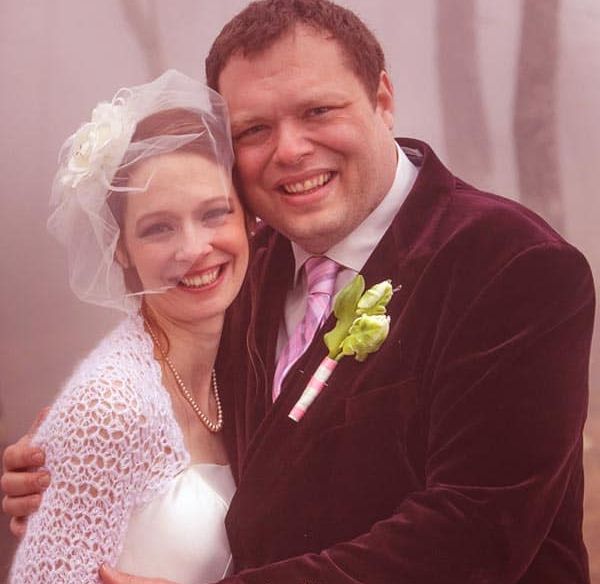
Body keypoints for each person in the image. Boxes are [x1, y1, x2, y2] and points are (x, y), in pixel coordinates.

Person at [3, 1, 595, 582]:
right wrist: (81, 451)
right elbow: (182, 400)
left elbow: (474, 529)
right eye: (255, 129)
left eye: (317, 110)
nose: (290, 150)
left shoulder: (515, 265)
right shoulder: (239, 266)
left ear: (382, 100)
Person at [7, 69, 251, 583]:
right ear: (121, 248)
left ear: (247, 219)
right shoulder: (113, 404)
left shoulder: (243, 358)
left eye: (213, 214)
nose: (193, 249)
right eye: (158, 227)